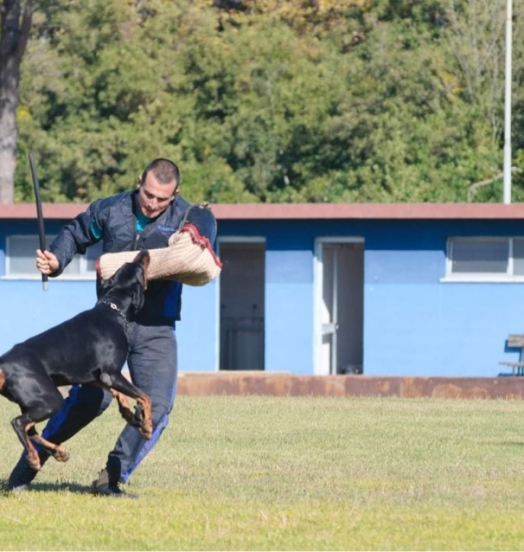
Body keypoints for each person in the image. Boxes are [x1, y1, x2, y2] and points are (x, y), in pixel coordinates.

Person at [7, 158, 191, 498]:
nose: (152, 204)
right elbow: (76, 234)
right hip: (105, 324)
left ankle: (111, 477)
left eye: (161, 199)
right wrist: (58, 259)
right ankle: (22, 473)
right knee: (90, 401)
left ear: (175, 195)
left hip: (155, 327)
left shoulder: (185, 218)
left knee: (158, 405)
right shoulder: (110, 210)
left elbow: (202, 249)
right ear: (139, 181)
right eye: (147, 194)